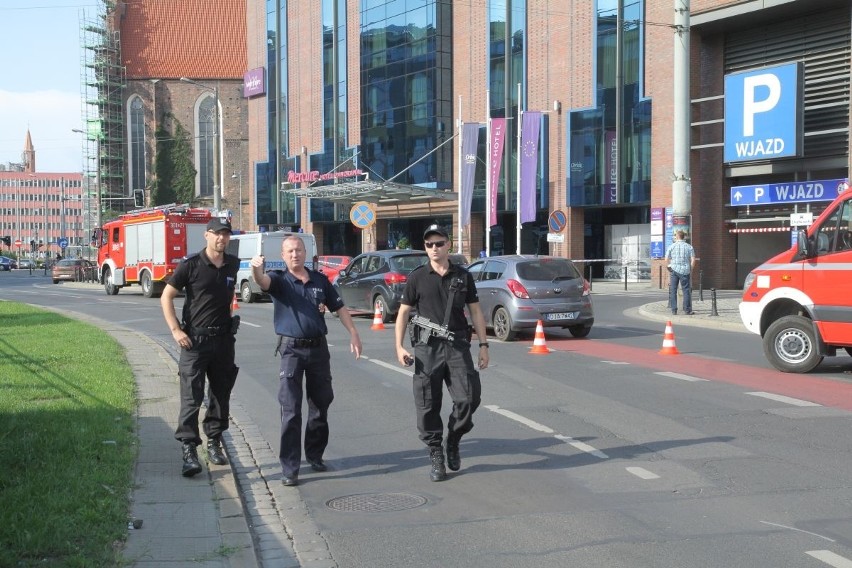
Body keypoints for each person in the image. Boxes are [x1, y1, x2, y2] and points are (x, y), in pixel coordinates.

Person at [249, 236, 362, 487]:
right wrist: (256, 268)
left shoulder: (320, 280)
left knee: (321, 404)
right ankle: (290, 468)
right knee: (290, 410)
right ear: (283, 254)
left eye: (298, 250)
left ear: (305, 251)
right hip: (291, 351)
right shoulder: (279, 280)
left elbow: (339, 308)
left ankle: (315, 455)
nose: (294, 254)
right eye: (289, 251)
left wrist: (353, 333)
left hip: (318, 350)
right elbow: (262, 281)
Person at [395, 224, 489, 482]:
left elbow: (476, 311)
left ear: (448, 244)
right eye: (429, 244)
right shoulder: (417, 277)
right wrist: (399, 346)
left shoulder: (463, 276)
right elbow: (403, 312)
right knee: (427, 403)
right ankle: (436, 452)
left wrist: (483, 345)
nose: (434, 248)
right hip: (427, 349)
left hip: (457, 346)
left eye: (439, 243)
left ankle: (454, 438)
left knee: (469, 398)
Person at [160, 217, 240, 477]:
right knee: (191, 397)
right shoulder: (191, 265)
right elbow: (166, 296)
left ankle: (215, 443)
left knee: (220, 395)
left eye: (226, 235)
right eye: (217, 234)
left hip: (223, 342)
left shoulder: (232, 265)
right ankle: (189, 450)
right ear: (207, 235)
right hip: (195, 342)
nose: (222, 239)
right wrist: (175, 330)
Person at [665, 229, 697, 315]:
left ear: (677, 237)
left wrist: (669, 267)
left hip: (674, 270)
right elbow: (693, 260)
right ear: (684, 237)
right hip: (685, 271)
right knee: (686, 290)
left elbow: (666, 259)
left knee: (673, 290)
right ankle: (687, 310)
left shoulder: (672, 246)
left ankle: (674, 310)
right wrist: (691, 269)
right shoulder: (689, 247)